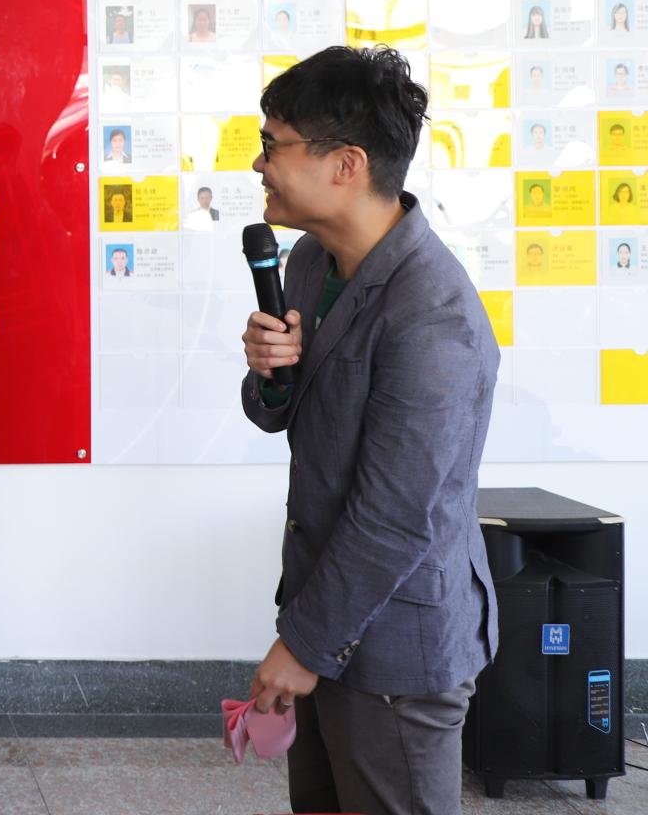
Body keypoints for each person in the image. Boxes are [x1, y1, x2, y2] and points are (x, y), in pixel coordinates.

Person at [240, 46, 497, 815]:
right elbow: (283, 414)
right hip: (324, 610)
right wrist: (269, 373)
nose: (258, 164)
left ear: (346, 164)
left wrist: (301, 646)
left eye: (274, 145)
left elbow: (395, 516)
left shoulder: (433, 314)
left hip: (396, 647)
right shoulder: (311, 262)